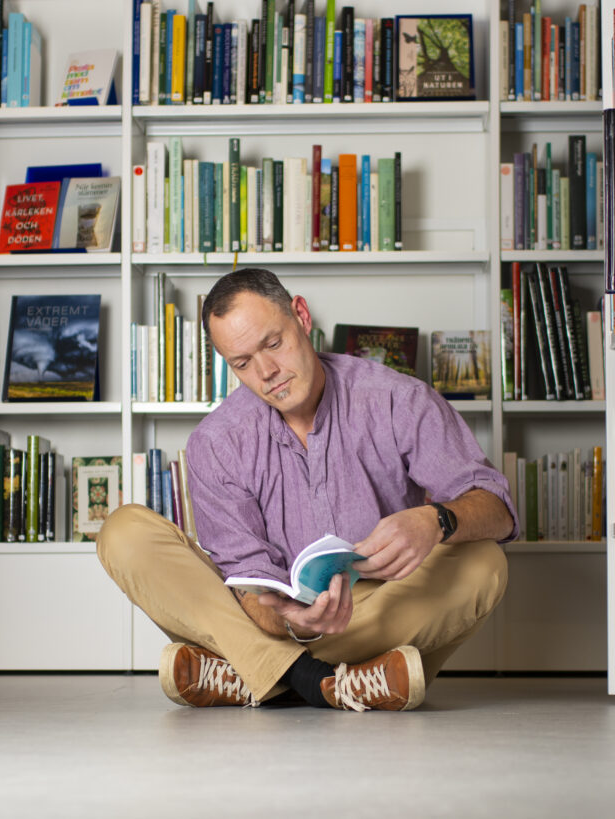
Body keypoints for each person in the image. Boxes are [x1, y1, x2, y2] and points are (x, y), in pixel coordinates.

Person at [97, 269, 516, 711]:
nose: (267, 373)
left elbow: (500, 510)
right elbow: (246, 584)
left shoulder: (399, 400)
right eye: (242, 363)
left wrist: (435, 521)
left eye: (273, 343)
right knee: (124, 532)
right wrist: (289, 623)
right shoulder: (216, 442)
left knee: (484, 563)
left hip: (377, 606)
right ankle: (328, 681)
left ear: (301, 314)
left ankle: (254, 673)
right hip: (267, 616)